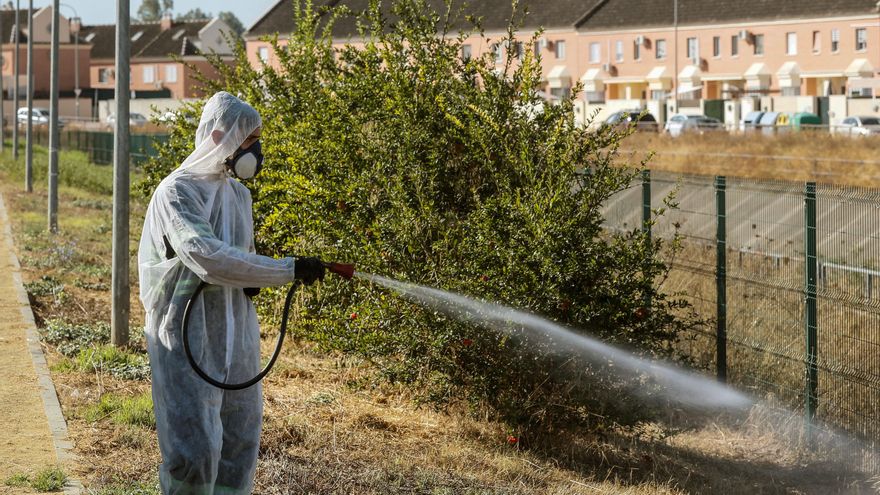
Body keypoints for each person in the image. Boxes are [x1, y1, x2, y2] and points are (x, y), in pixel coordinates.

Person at [138, 91, 325, 494]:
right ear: (219, 135)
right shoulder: (178, 192)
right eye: (249, 140)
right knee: (195, 451)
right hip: (187, 336)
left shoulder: (239, 195)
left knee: (239, 442)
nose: (255, 150)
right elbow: (206, 255)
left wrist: (256, 274)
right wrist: (285, 269)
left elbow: (240, 258)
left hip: (236, 336)